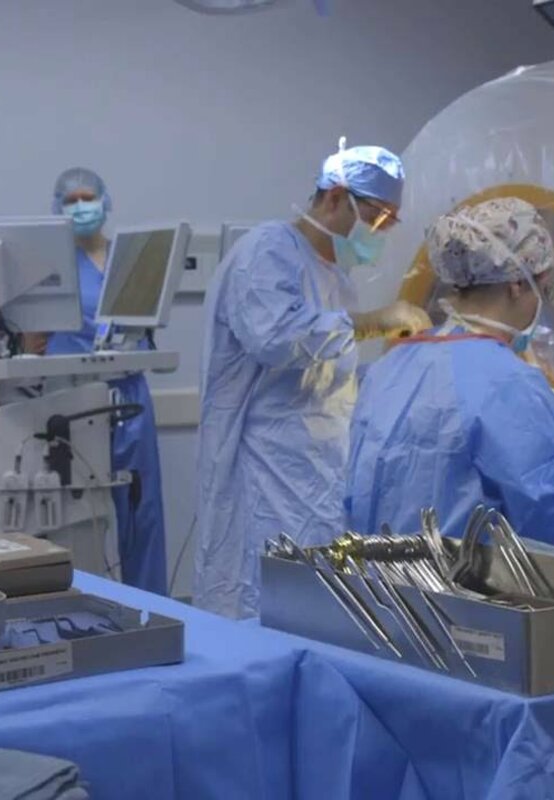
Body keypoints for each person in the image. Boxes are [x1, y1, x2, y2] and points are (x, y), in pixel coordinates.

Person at [195, 141, 431, 619]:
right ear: (336, 197)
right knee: (260, 606)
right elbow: (276, 338)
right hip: (262, 473)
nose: (380, 233)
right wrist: (373, 321)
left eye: (390, 223)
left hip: (316, 477)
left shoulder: (336, 280)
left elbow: (326, 377)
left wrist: (400, 374)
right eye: (377, 218)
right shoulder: (267, 251)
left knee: (316, 610)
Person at [344, 197, 554, 556]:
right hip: (459, 587)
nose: (543, 303)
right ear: (517, 285)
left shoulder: (388, 369)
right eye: (546, 289)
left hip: (375, 583)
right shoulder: (510, 384)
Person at [39, 167, 167, 595]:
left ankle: (152, 605)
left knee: (141, 507)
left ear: (105, 201)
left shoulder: (130, 259)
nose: (81, 207)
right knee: (77, 511)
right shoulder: (51, 267)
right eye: (70, 200)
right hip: (73, 396)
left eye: (87, 198)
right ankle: (81, 602)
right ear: (58, 208)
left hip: (130, 391)